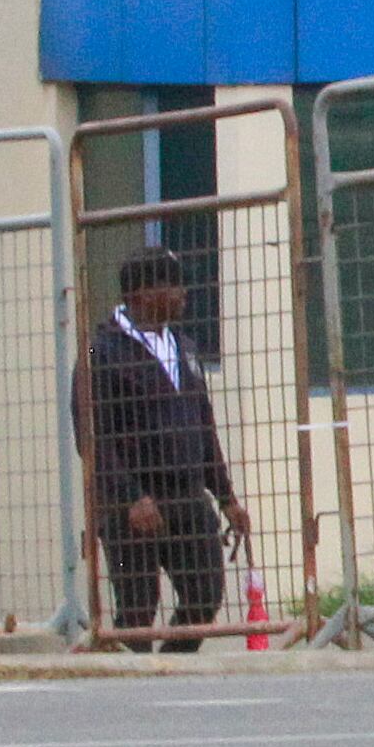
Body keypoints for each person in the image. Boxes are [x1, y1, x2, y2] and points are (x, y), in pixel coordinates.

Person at [78, 249, 249, 654]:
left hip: (187, 495)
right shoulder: (98, 351)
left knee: (204, 594)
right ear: (141, 293)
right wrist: (130, 497)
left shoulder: (183, 346)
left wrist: (226, 497)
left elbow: (204, 425)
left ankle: (170, 668)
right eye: (172, 285)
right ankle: (130, 683)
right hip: (131, 506)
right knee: (137, 610)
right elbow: (92, 436)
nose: (182, 294)